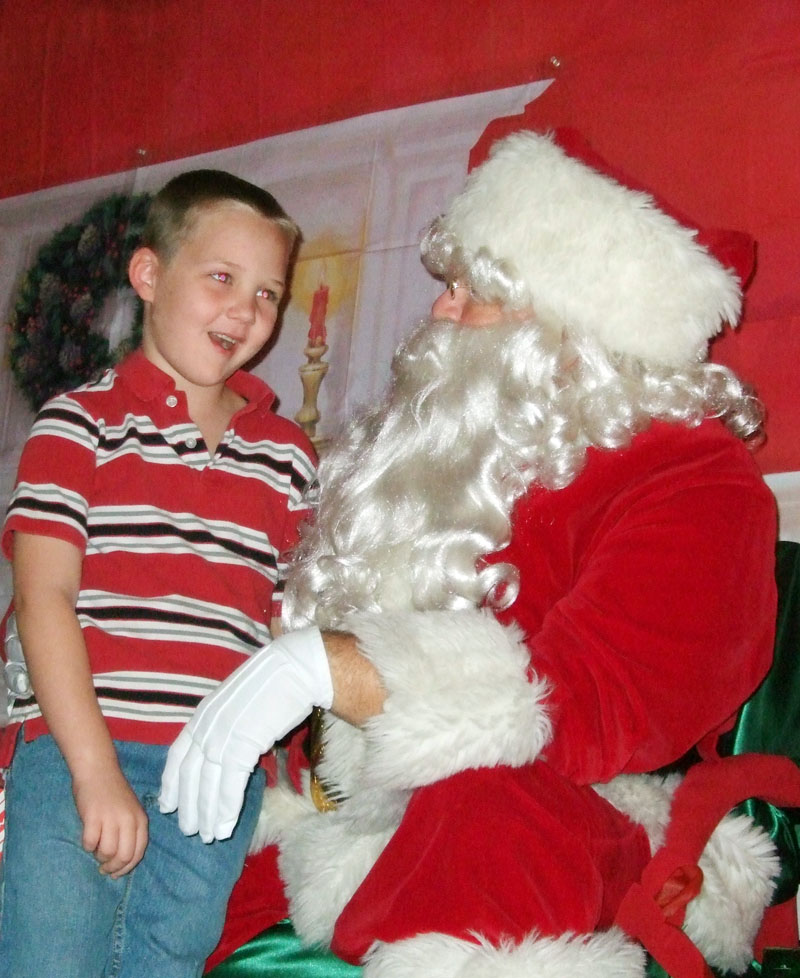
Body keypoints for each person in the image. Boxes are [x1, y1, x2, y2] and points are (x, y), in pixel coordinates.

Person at [161, 131, 790, 978]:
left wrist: (326, 668)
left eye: (467, 294)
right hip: (376, 829)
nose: (439, 313)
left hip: (578, 825)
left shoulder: (695, 476)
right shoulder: (461, 471)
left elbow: (590, 702)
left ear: (565, 321)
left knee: (486, 819)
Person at [0, 169, 317, 978]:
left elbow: (289, 623)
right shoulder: (78, 424)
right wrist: (93, 768)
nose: (247, 311)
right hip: (80, 749)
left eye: (269, 293)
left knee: (163, 967)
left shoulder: (288, 455)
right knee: (50, 963)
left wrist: (286, 763)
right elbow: (43, 602)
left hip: (214, 775)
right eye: (222, 278)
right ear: (148, 276)